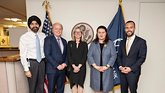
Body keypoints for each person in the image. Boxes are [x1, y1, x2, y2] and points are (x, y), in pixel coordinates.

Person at [117, 20, 147, 93]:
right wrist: (120, 67)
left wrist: (131, 68)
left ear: (134, 28)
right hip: (122, 72)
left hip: (133, 72)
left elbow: (142, 57)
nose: (129, 29)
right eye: (127, 28)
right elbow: (119, 56)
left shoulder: (141, 42)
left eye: (131, 27)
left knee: (133, 91)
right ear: (124, 29)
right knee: (123, 91)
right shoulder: (122, 42)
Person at [19, 15, 46, 93]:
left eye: (36, 23)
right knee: (32, 86)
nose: (34, 25)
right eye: (32, 24)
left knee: (41, 86)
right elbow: (23, 55)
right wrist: (26, 69)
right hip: (32, 63)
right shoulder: (24, 37)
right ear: (29, 25)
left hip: (42, 63)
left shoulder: (43, 36)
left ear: (39, 25)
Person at [87, 25, 117, 93]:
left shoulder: (110, 43)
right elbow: (89, 56)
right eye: (99, 32)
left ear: (106, 33)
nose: (101, 34)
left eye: (103, 32)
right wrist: (96, 66)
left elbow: (114, 56)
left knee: (106, 89)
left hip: (107, 71)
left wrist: (106, 66)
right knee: (97, 89)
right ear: (97, 33)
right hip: (96, 70)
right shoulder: (93, 43)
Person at [44, 22, 67, 93]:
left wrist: (65, 64)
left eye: (60, 29)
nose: (58, 30)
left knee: (60, 89)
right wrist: (57, 65)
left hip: (62, 70)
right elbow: (47, 54)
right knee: (51, 89)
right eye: (56, 29)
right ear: (52, 30)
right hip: (52, 69)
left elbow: (67, 54)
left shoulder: (64, 41)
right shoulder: (48, 39)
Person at [67, 27, 88, 93]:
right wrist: (74, 66)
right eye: (76, 32)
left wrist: (78, 67)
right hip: (72, 68)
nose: (77, 33)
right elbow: (68, 55)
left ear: (81, 34)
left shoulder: (84, 44)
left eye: (79, 32)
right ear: (74, 34)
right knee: (73, 85)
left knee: (80, 84)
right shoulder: (69, 43)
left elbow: (84, 56)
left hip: (81, 68)